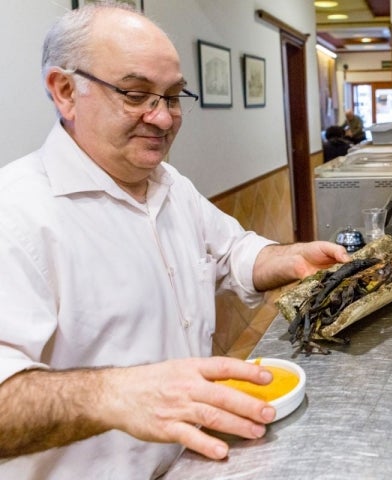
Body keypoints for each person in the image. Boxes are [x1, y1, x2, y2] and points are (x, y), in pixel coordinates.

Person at [0, 3, 350, 479]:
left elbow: (230, 251)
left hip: (189, 463)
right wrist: (117, 395)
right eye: (137, 94)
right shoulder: (16, 214)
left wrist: (288, 258)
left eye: (172, 96)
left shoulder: (169, 185)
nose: (162, 119)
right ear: (66, 91)